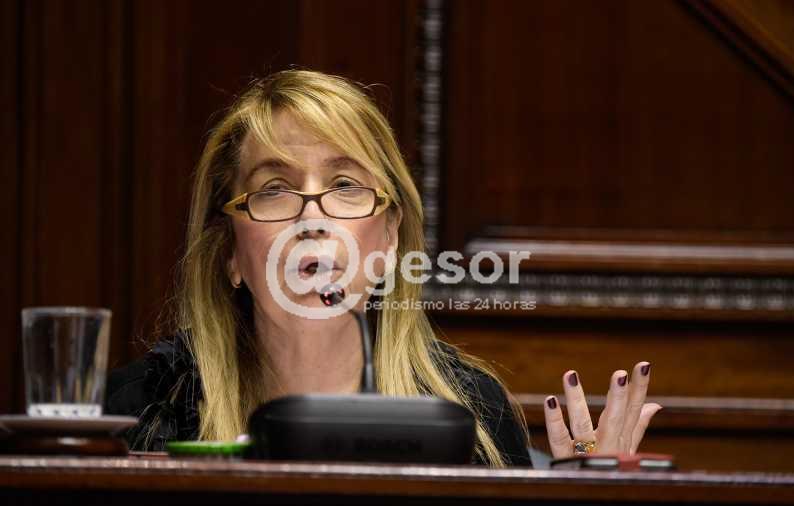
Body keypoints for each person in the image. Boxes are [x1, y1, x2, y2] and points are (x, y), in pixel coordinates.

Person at [105, 69, 660, 467]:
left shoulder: (475, 417)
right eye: (274, 189)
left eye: (345, 185)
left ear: (390, 238)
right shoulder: (140, 410)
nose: (312, 218)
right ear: (231, 251)